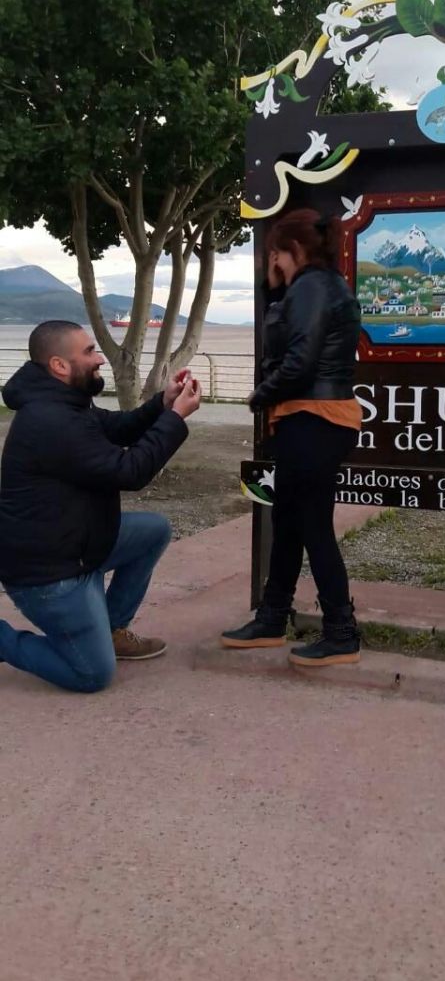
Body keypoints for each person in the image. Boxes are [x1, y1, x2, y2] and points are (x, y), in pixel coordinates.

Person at [0, 320, 201, 693]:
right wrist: (175, 420)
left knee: (153, 530)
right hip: (48, 574)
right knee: (91, 675)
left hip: (76, 544)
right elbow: (130, 472)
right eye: (90, 352)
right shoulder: (51, 421)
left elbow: (120, 427)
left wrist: (163, 403)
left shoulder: (64, 402)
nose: (100, 361)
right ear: (59, 365)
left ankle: (109, 629)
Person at [221, 208, 362, 667]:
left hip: (314, 418)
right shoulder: (315, 286)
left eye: (274, 254)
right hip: (313, 418)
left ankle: (341, 631)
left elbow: (299, 362)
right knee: (288, 521)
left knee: (312, 525)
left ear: (293, 251)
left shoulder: (312, 287)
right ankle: (272, 617)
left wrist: (259, 395)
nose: (270, 265)